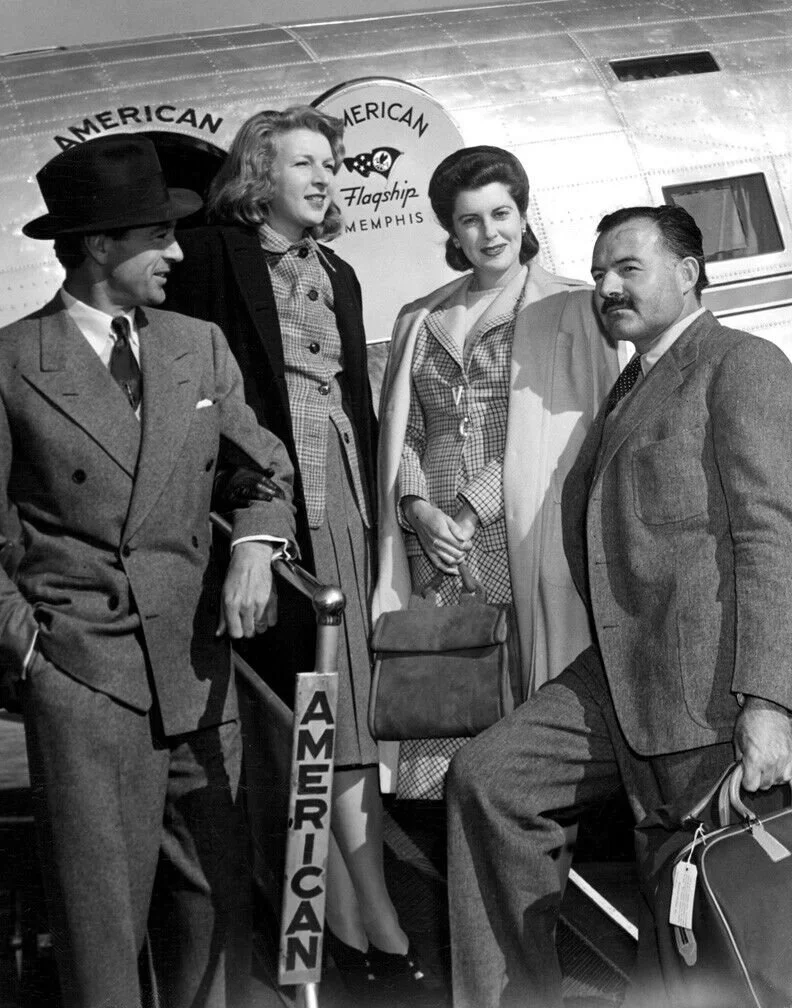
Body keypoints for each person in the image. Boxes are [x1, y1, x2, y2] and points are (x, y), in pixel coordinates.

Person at [446, 204, 792, 1007]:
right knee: (490, 778)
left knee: (710, 912)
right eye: (600, 272)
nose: (607, 286)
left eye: (627, 268)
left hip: (709, 687)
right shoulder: (635, 380)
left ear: (687, 271)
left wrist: (770, 703)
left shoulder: (738, 363)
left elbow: (774, 538)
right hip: (617, 676)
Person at [0, 133, 297, 1008]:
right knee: (102, 928)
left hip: (198, 669)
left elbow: (264, 469)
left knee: (214, 906)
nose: (175, 252)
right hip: (84, 675)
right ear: (98, 246)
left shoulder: (196, 346)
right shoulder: (13, 364)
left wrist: (253, 544)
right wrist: (32, 658)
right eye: (155, 237)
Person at [164, 106, 430, 1004]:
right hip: (264, 519)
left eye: (334, 164)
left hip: (344, 506)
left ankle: (362, 909)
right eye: (305, 163)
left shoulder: (341, 271)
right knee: (303, 713)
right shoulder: (208, 258)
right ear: (257, 174)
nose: (325, 178)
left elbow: (355, 398)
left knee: (345, 708)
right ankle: (351, 912)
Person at [372, 145, 629, 800]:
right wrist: (416, 509)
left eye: (501, 213)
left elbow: (567, 428)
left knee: (529, 747)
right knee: (445, 727)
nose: (490, 233)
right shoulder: (422, 317)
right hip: (436, 554)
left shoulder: (570, 308)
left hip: (523, 540)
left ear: (523, 212)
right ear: (451, 232)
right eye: (470, 220)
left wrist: (467, 508)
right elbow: (409, 429)